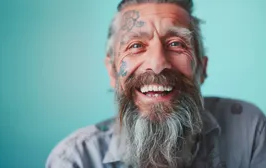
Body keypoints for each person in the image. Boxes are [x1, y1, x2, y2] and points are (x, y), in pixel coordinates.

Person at [46, 0, 266, 167]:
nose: (158, 63)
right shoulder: (76, 159)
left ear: (202, 68)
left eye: (176, 43)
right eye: (135, 45)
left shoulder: (248, 130)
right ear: (112, 71)